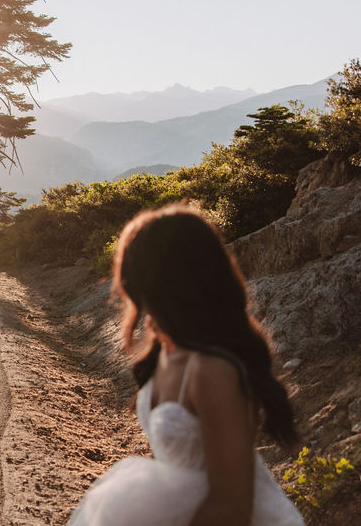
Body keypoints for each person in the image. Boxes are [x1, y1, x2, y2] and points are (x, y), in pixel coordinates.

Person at [69, 203, 303, 525]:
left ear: (170, 285)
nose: (136, 300)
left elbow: (233, 508)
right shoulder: (163, 352)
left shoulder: (211, 371)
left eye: (140, 285)